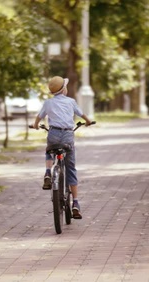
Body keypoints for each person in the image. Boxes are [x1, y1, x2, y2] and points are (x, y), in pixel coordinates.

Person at [33, 76, 93, 219]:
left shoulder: (48, 102)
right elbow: (81, 114)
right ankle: (75, 203)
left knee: (49, 151)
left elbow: (39, 117)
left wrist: (35, 125)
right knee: (70, 168)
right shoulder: (71, 102)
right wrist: (88, 121)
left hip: (53, 133)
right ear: (64, 89)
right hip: (67, 135)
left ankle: (48, 172)